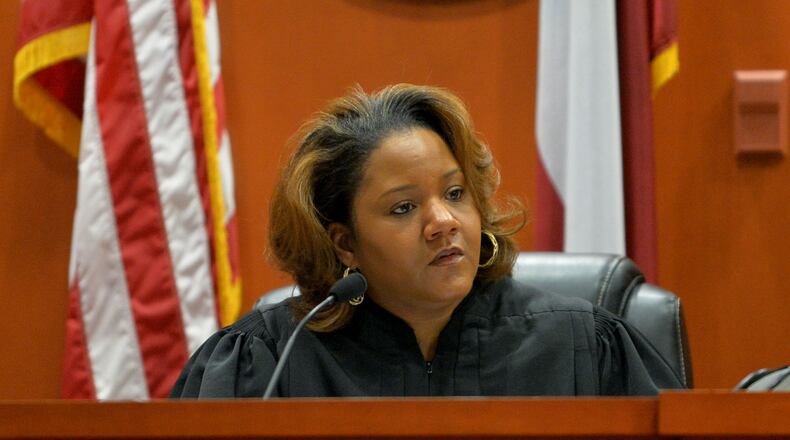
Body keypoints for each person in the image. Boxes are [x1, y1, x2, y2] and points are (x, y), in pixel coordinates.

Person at [170, 84, 684, 398]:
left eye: (455, 193)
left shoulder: (580, 345)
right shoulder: (266, 360)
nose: (443, 221)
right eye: (403, 207)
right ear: (345, 243)